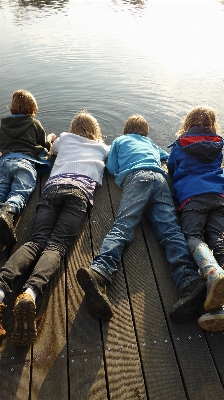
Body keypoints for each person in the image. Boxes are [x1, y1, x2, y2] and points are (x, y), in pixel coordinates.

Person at [76, 114, 206, 322]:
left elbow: (111, 167)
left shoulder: (120, 141)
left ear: (125, 131)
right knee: (170, 230)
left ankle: (100, 272)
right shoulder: (151, 143)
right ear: (145, 133)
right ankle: (190, 281)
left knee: (124, 226)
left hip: (137, 179)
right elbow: (165, 157)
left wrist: (121, 174)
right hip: (160, 180)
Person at [0, 110, 109, 345]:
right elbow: (112, 156)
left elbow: (53, 146)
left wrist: (51, 139)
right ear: (95, 131)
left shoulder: (64, 139)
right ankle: (30, 294)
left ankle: (0, 290)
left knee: (34, 241)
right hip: (78, 194)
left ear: (72, 127)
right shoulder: (101, 147)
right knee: (57, 246)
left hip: (52, 190)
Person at [167, 105, 224, 332]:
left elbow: (171, 168)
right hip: (219, 195)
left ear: (188, 121)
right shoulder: (218, 143)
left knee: (193, 236)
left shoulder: (181, 144)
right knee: (218, 238)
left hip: (192, 196)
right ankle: (219, 308)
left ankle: (212, 271)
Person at [0, 89, 55, 247]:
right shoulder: (34, 123)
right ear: (32, 109)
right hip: (25, 163)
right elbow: (44, 145)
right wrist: (50, 138)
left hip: (5, 162)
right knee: (19, 191)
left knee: (2, 189)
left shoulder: (3, 124)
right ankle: (7, 212)